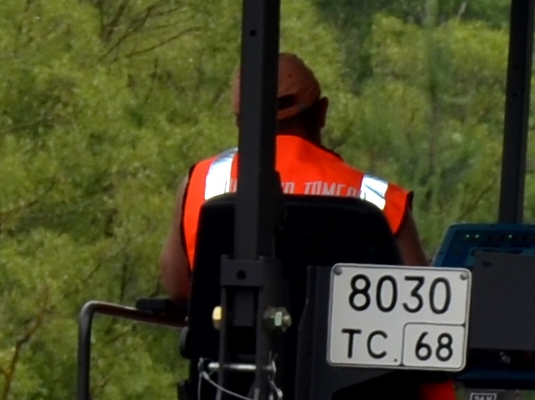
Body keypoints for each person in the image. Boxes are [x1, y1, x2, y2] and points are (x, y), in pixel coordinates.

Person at [158, 53, 422, 302]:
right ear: (322, 112)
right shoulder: (379, 198)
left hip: (227, 348)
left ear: (241, 123)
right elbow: (415, 298)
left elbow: (178, 286)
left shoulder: (201, 182)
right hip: (335, 350)